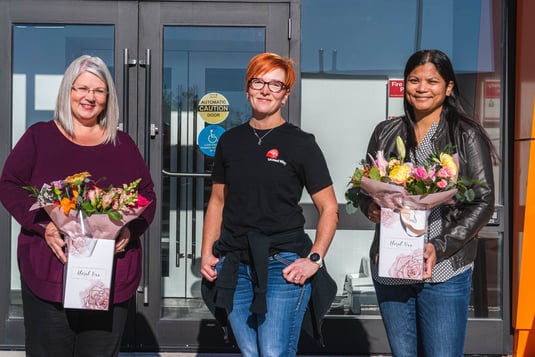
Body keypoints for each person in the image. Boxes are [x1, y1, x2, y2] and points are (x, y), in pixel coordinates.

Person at [0, 55, 156, 356]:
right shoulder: (39, 137)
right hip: (50, 275)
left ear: (107, 97)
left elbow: (146, 195)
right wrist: (44, 226)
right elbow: (10, 184)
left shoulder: (122, 144)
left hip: (109, 279)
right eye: (81, 88)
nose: (89, 97)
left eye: (99, 90)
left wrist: (129, 230)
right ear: (67, 91)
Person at [200, 52, 338, 356]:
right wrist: (207, 252)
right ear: (248, 88)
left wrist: (314, 259)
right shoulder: (229, 141)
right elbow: (218, 201)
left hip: (284, 264)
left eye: (275, 85)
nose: (265, 90)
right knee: (250, 352)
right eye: (259, 82)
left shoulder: (302, 143)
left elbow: (329, 207)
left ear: (285, 95)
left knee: (274, 352)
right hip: (235, 261)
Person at [360, 49, 496, 357]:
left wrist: (441, 245)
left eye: (432, 81)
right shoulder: (385, 132)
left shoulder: (465, 134)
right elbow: (363, 189)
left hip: (443, 269)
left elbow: (483, 202)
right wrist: (370, 207)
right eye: (414, 80)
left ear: (448, 87)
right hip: (392, 267)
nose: (422, 88)